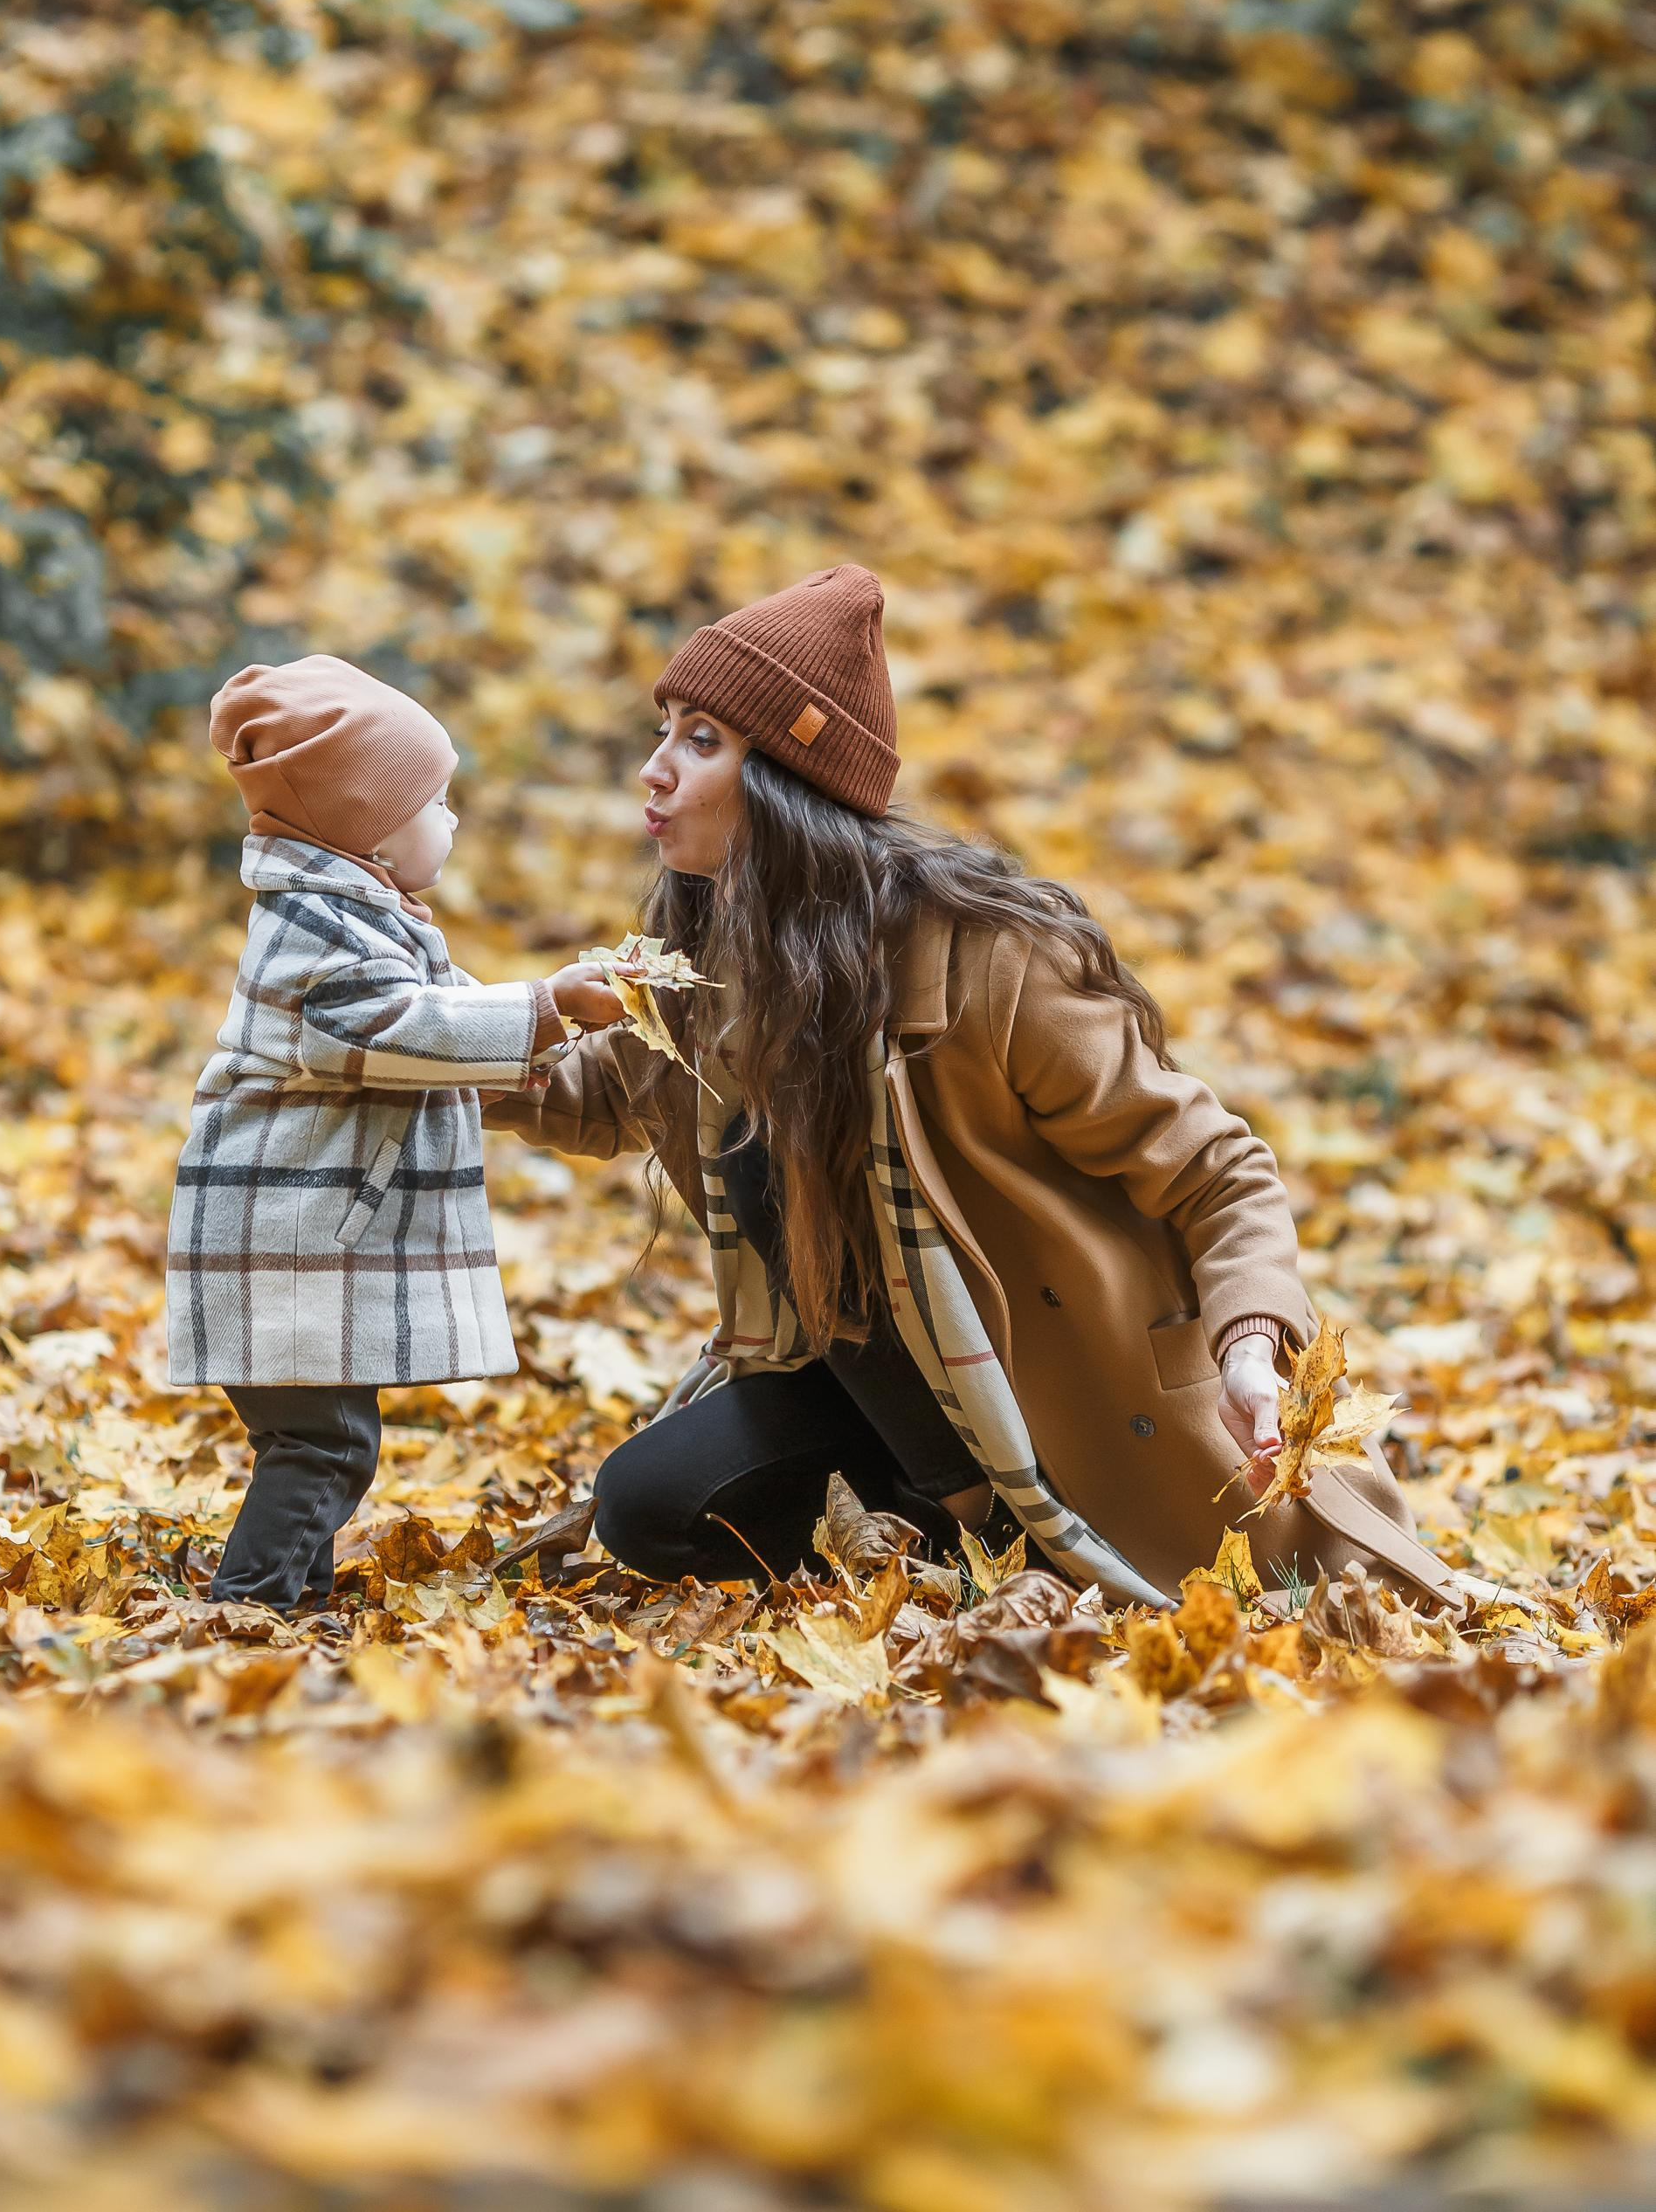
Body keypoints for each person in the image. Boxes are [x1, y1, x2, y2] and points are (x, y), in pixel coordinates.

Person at [486, 567, 1458, 1609]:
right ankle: (949, 1534)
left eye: (699, 740)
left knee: (769, 1163)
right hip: (882, 1391)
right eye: (663, 730)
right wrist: (419, 1036)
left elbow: (1218, 1170)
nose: (652, 771)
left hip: (1057, 1395)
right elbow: (589, 1093)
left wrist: (1250, 1346)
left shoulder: (990, 962)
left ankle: (1017, 1532)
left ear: (788, 782)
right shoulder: (706, 970)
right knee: (651, 1503)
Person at [169, 655, 623, 1609]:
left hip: (300, 1241)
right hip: (280, 1241)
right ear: (367, 830)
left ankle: (289, 1591)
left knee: (317, 1439)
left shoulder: (361, 917)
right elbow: (397, 1029)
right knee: (324, 1443)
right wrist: (542, 1010)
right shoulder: (312, 934)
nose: (451, 822)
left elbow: (443, 1010)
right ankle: (248, 1603)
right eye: (436, 803)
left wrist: (538, 1040)